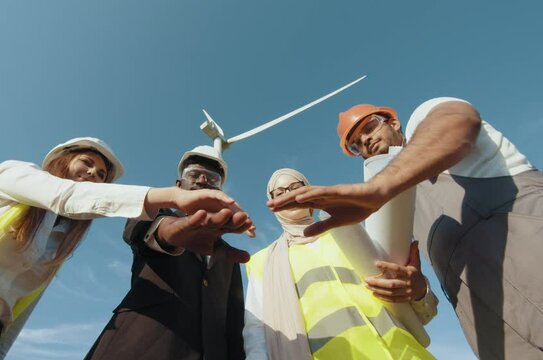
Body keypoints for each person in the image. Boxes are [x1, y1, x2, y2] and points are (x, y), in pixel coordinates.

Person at [0, 137, 252, 360]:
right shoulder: (14, 174)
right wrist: (171, 197)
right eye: (87, 163)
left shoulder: (57, 241)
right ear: (63, 159)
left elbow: (19, 311)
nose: (93, 175)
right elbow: (68, 197)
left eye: (101, 175)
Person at [268, 98, 543, 359]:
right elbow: (415, 292)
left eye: (369, 127)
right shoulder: (391, 213)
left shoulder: (427, 120)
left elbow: (458, 119)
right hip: (496, 332)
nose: (365, 141)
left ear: (393, 122)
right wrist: (416, 288)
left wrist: (378, 188)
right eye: (356, 145)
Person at [244, 168, 436, 360]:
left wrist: (420, 291)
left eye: (295, 187)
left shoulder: (354, 234)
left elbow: (423, 308)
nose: (289, 194)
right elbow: (257, 332)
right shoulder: (263, 263)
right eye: (280, 192)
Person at [85, 145, 252, 360]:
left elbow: (234, 322)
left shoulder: (229, 256)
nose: (202, 180)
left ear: (219, 191)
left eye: (212, 179)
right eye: (193, 174)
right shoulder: (152, 213)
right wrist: (170, 232)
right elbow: (145, 232)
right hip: (139, 347)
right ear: (179, 184)